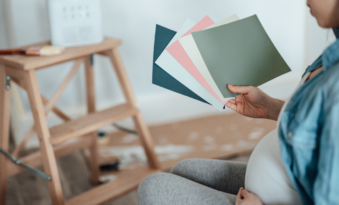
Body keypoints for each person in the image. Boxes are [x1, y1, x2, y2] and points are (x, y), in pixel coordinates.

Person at [138, 0, 339, 204]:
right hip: (288, 173)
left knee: (154, 188)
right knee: (184, 169)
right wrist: (271, 108)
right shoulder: (333, 53)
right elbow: (319, 125)